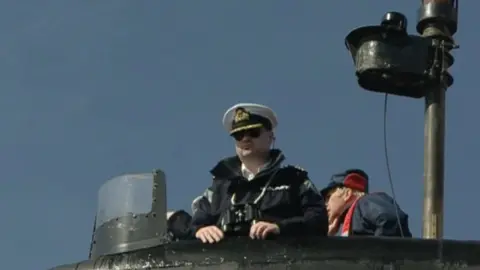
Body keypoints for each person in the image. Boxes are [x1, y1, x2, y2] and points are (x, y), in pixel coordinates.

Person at [191, 103, 328, 244]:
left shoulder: (294, 179)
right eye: (238, 135)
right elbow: (195, 223)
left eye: (254, 133)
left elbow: (318, 220)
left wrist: (280, 228)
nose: (245, 139)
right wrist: (200, 229)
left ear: (270, 137)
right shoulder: (219, 187)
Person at [321, 169, 412, 237]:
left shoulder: (364, 203)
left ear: (347, 194)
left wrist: (377, 255)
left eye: (328, 197)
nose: (325, 204)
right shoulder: (354, 217)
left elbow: (389, 219)